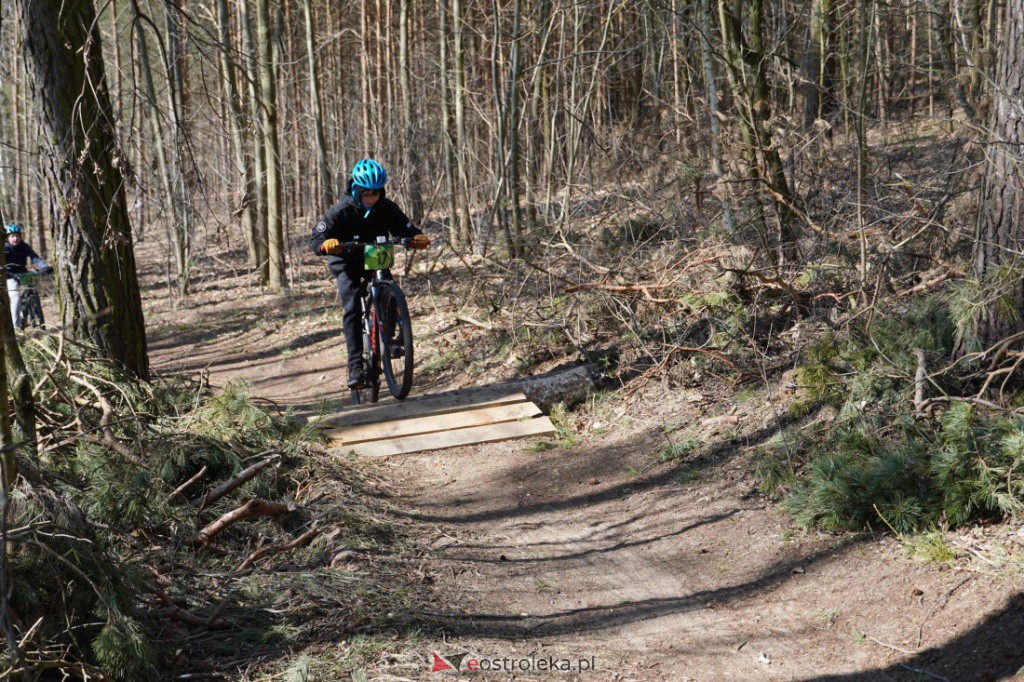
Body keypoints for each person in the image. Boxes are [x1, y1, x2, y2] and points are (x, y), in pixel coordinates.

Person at [309, 159, 430, 388]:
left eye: (376, 193)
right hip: (347, 261)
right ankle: (356, 367)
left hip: (375, 257)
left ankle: (392, 339)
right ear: (356, 189)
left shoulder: (387, 207)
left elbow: (405, 228)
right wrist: (326, 245)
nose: (371, 198)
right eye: (366, 194)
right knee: (352, 305)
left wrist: (416, 238)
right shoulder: (341, 211)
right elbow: (316, 238)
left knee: (389, 288)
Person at [4, 224, 51, 326]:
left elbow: (35, 257)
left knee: (32, 291)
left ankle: (32, 309)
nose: (15, 238)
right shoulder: (4, 248)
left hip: (23, 273)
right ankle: (15, 327)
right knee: (15, 297)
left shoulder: (24, 246)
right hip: (9, 275)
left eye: (17, 235)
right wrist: (9, 274)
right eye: (12, 236)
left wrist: (44, 267)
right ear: (7, 238)